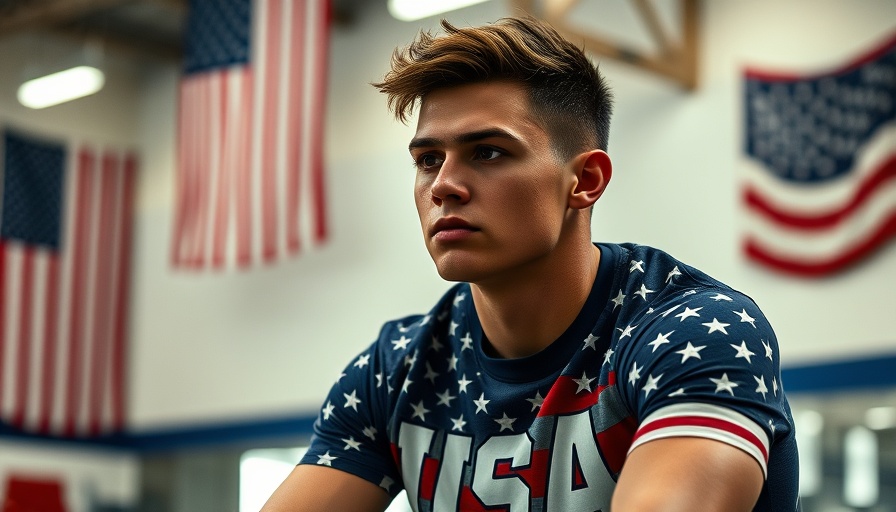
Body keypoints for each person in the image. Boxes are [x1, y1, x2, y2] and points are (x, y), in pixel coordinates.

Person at [261, 15, 800, 512]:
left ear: (585, 181)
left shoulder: (698, 333)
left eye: (488, 152)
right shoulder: (397, 370)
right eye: (428, 160)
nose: (443, 185)